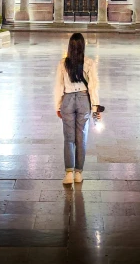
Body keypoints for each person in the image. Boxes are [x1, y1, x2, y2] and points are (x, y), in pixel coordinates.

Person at [54, 32, 100, 185]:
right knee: (81, 138)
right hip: (83, 99)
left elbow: (58, 86)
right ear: (83, 46)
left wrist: (58, 105)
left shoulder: (63, 63)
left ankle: (68, 173)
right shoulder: (89, 63)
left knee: (68, 138)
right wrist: (95, 107)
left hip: (67, 99)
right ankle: (78, 173)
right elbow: (93, 87)